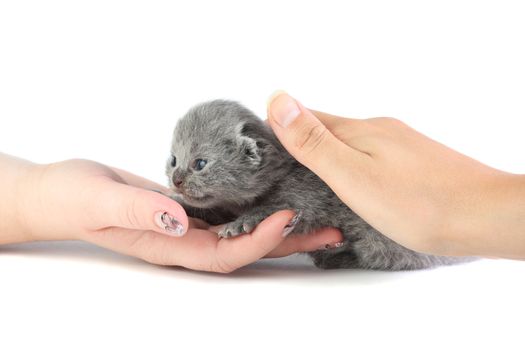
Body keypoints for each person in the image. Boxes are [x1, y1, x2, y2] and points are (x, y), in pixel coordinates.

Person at [1, 92, 523, 273]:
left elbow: (301, 208)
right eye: (176, 159)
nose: (176, 175)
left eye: (197, 165)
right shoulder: (236, 182)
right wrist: (40, 195)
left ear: (252, 154)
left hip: (412, 246)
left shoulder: (300, 179)